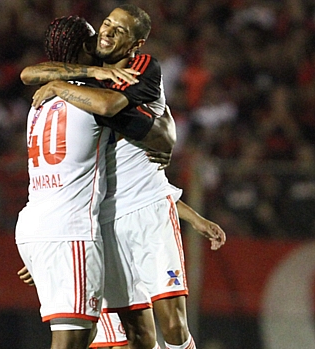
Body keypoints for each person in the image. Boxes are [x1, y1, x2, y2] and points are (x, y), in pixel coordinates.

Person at [21, 4, 226, 349]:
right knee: (136, 335)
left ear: (136, 43)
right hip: (101, 221)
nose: (108, 31)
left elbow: (143, 128)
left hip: (147, 211)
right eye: (107, 24)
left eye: (121, 29)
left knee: (173, 325)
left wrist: (57, 86)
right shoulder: (89, 77)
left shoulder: (140, 67)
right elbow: (29, 74)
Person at [18, 199, 227, 349]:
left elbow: (151, 188)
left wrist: (195, 218)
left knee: (140, 338)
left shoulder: (126, 152)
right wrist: (52, 254)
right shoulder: (88, 158)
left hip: (122, 257)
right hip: (94, 257)